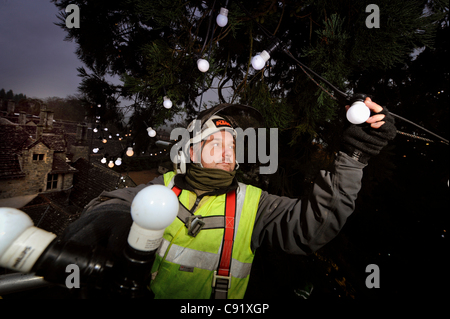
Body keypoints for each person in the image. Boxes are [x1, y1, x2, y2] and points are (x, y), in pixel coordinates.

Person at [61, 99, 396, 299]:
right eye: (216, 144)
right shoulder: (158, 189)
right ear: (192, 152)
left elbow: (315, 224)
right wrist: (110, 222)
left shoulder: (256, 204)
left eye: (233, 146)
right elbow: (110, 203)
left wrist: (352, 156)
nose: (228, 152)